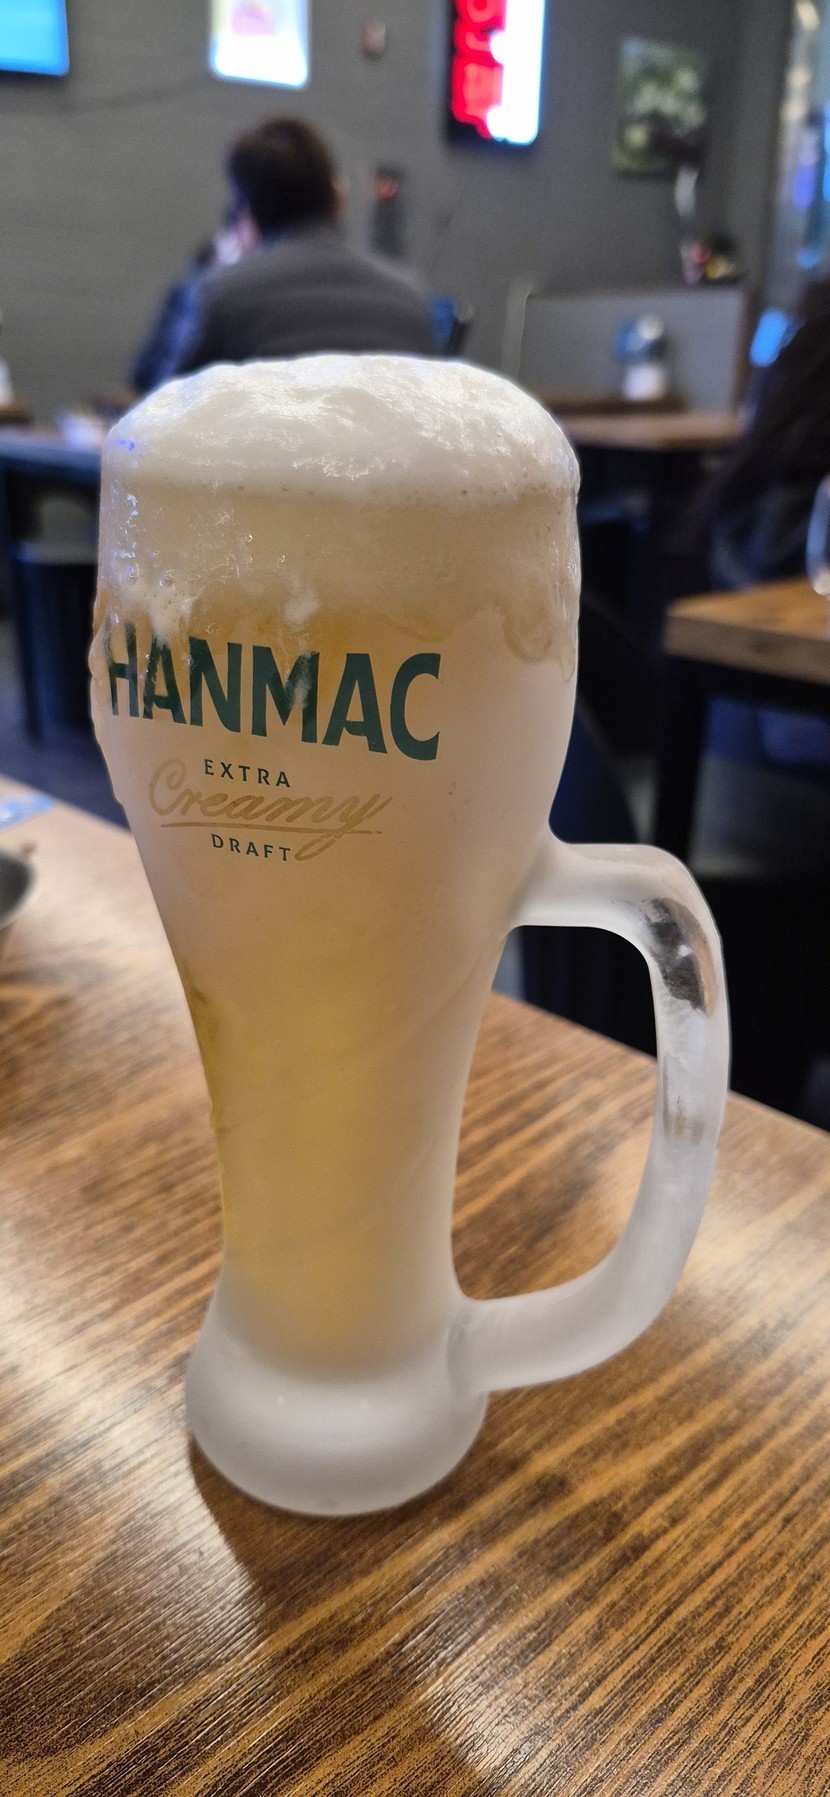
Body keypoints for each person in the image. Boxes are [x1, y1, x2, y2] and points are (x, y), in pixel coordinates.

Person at [165, 118, 436, 376]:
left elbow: (167, 404)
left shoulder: (222, 296)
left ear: (250, 213)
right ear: (336, 200)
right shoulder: (411, 300)